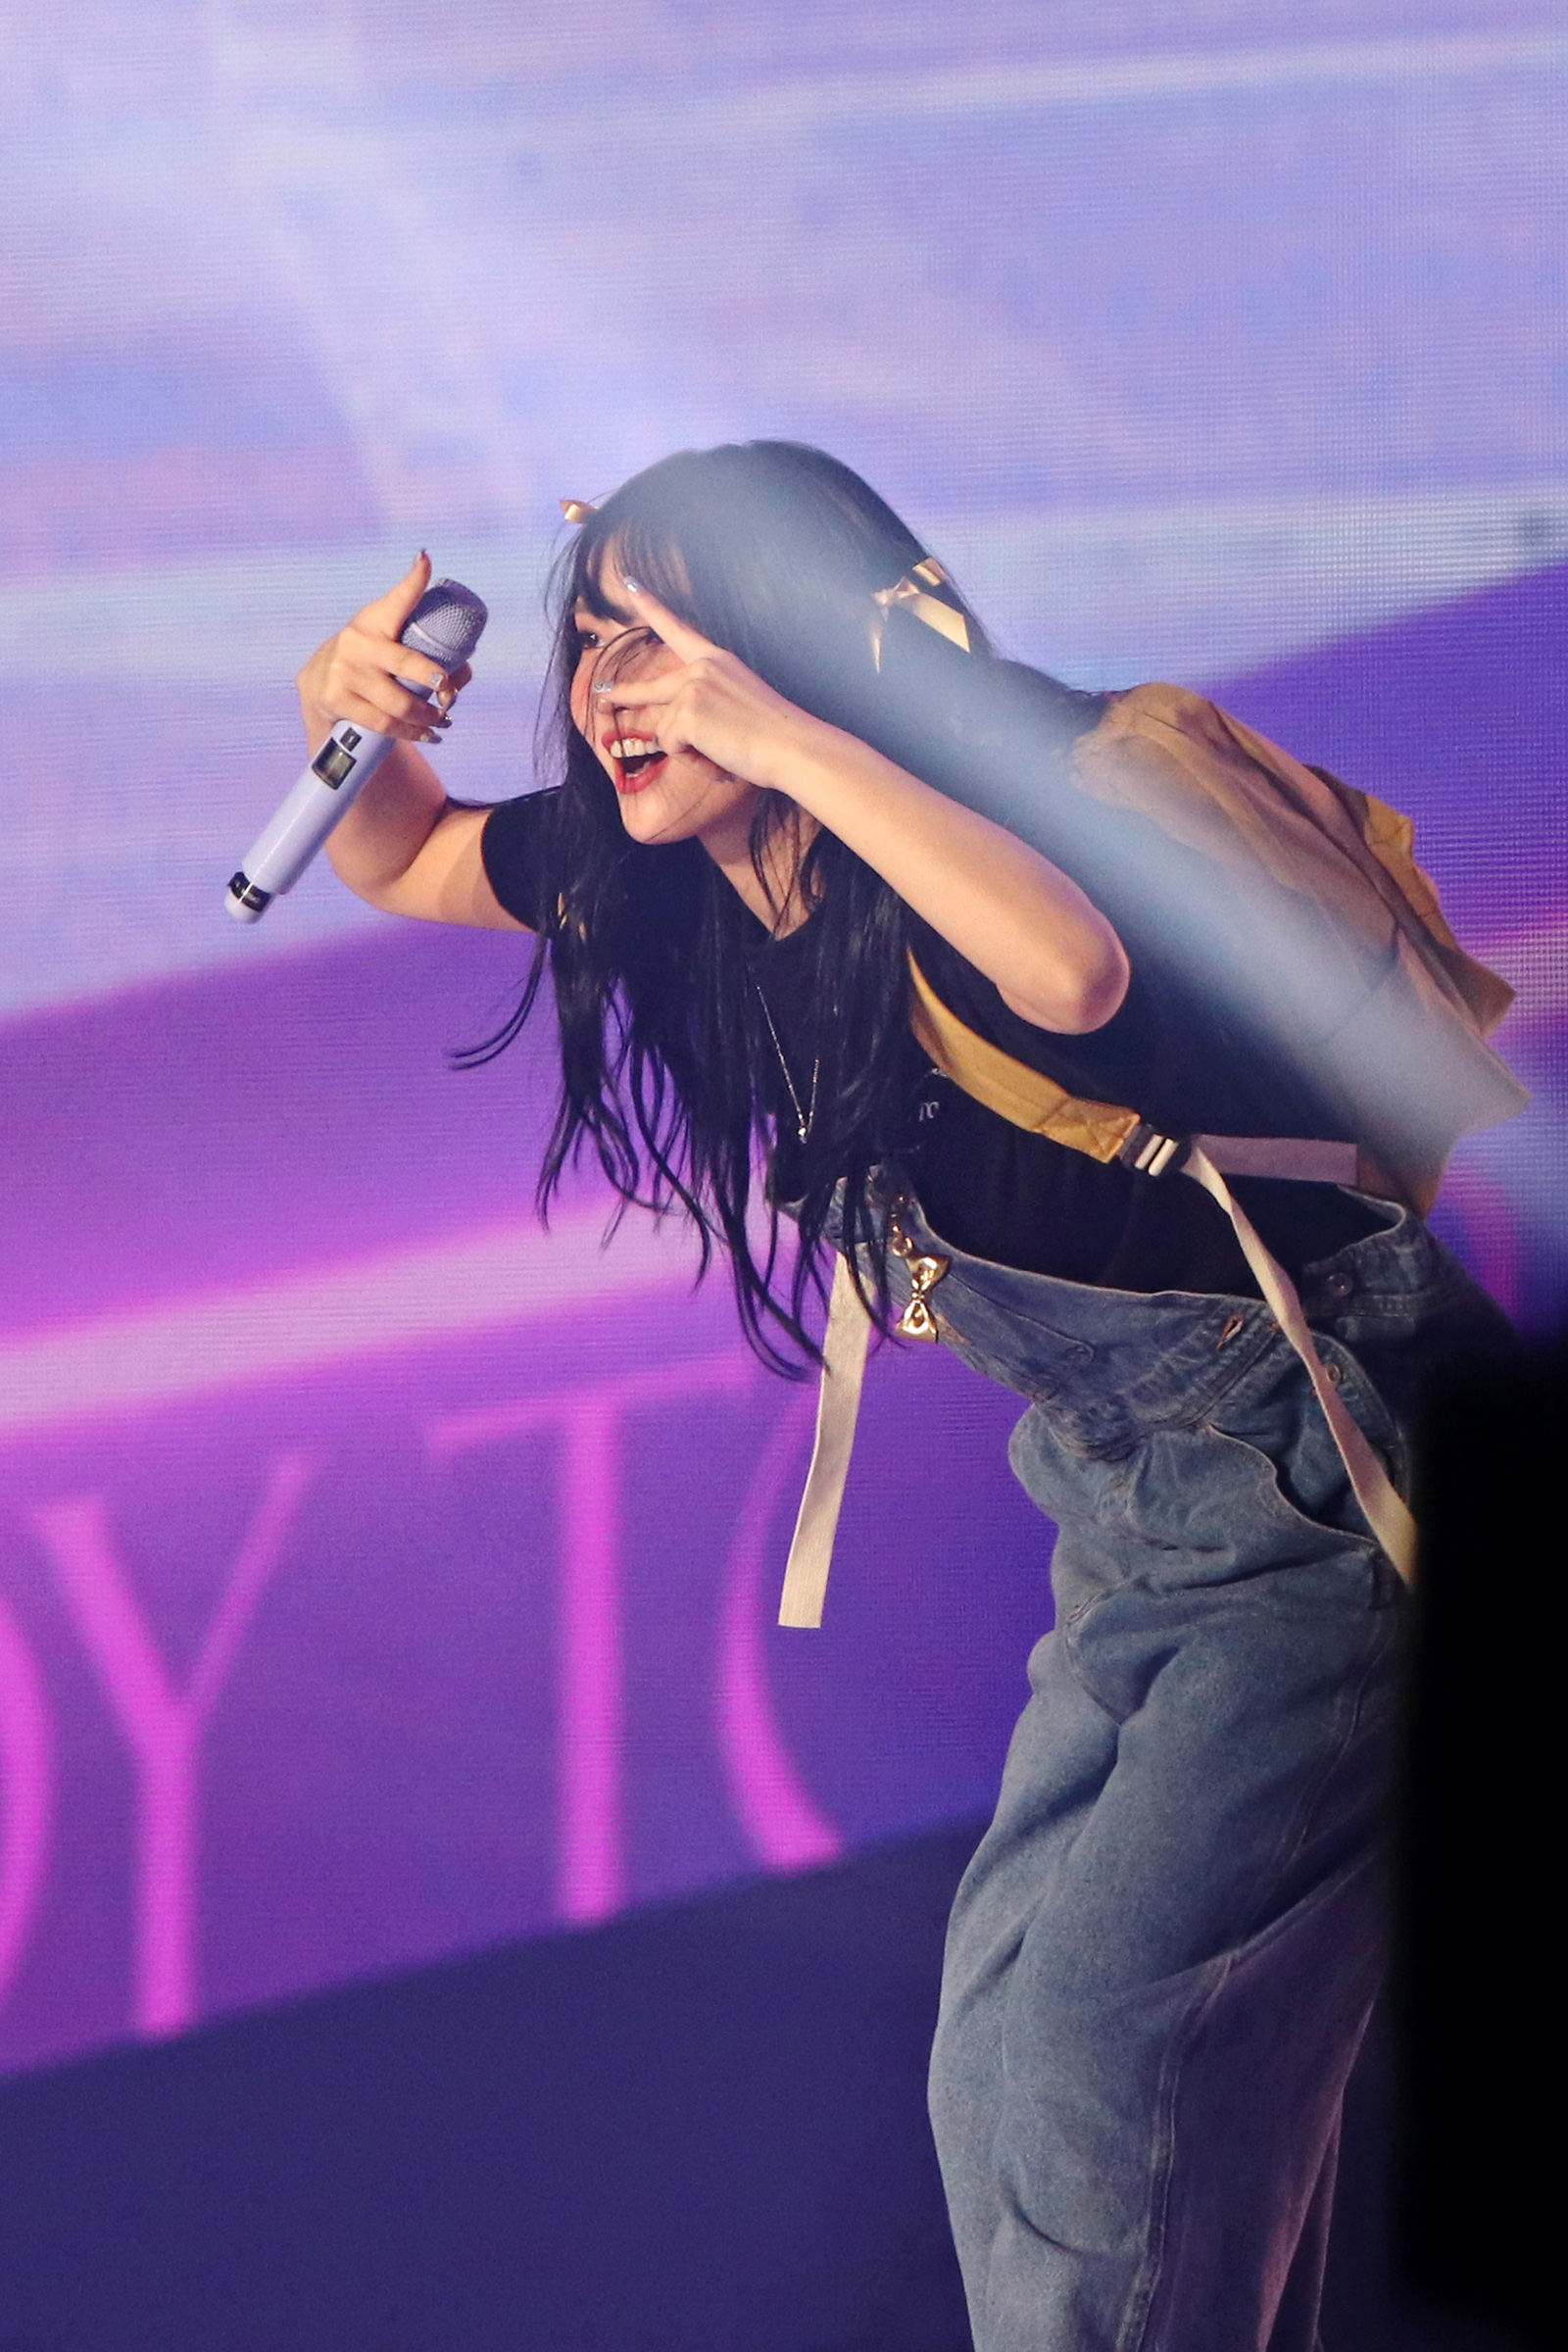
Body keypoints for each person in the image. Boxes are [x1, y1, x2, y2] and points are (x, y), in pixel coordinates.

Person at [299, 440, 1520, 2352]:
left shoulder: (999, 823)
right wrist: (350, 721)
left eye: (666, 638)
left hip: (1335, 1493)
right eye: (593, 642)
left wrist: (790, 737)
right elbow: (401, 855)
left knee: (1112, 2061)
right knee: (1008, 2053)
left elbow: (1072, 968)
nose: (616, 688)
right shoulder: (685, 878)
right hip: (1140, 1524)